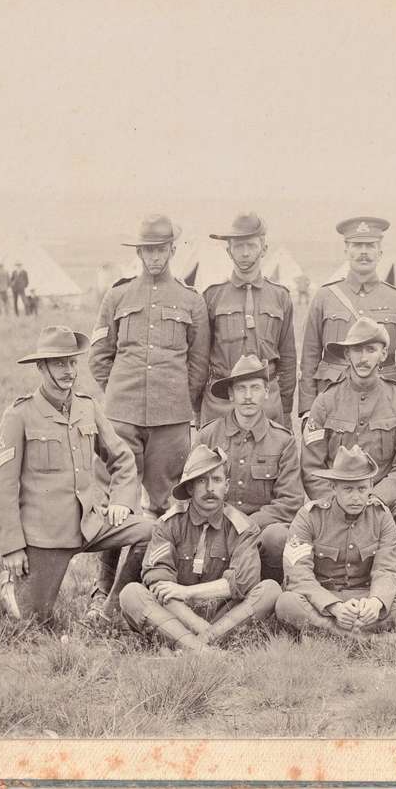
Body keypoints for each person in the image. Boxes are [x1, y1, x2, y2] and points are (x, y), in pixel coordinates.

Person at [0, 325, 154, 624]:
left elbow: (122, 458)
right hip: (45, 536)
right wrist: (11, 547)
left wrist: (121, 501)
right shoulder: (19, 415)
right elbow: (1, 488)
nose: (68, 370)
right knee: (30, 624)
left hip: (90, 524)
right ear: (41, 367)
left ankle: (109, 609)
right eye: (59, 363)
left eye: (73, 362)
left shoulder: (87, 407)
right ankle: (10, 584)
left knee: (152, 532)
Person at [88, 214, 210, 617]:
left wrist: (175, 401)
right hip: (121, 418)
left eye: (161, 249)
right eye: (147, 250)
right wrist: (119, 396)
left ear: (172, 250)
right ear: (138, 252)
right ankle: (100, 589)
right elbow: (99, 356)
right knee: (116, 506)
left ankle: (132, 591)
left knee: (163, 506)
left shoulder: (192, 300)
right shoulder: (117, 297)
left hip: (170, 421)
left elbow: (198, 364)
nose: (154, 257)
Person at [302, 316, 396, 586]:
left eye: (371, 350)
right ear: (347, 354)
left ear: (383, 354)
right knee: (306, 520)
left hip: (386, 493)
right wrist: (338, 502)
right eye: (357, 350)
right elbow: (312, 468)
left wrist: (372, 498)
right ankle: (331, 581)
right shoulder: (325, 401)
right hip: (336, 496)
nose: (363, 358)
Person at [119, 444, 281, 652]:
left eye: (217, 480)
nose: (210, 489)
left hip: (224, 614)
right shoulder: (168, 524)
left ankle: (187, 646)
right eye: (202, 481)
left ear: (227, 486)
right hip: (175, 613)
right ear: (189, 488)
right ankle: (205, 650)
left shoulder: (244, 528)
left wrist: (187, 592)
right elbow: (159, 584)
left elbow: (241, 583)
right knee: (131, 594)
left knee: (270, 590)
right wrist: (199, 626)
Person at [276, 445, 396, 643]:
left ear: (371, 486)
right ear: (333, 487)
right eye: (348, 489)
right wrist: (334, 607)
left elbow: (387, 569)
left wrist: (376, 602)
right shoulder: (309, 516)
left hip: (365, 599)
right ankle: (373, 641)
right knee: (286, 603)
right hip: (324, 600)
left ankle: (328, 637)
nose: (356, 497)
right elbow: (299, 576)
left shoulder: (381, 516)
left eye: (362, 489)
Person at [194, 353, 305, 584]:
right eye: (241, 389)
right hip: (216, 526)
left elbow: (290, 502)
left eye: (255, 388)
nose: (247, 396)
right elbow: (191, 491)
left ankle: (268, 588)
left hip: (260, 532)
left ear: (266, 393)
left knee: (278, 537)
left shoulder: (283, 441)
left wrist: (248, 524)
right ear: (231, 394)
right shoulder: (208, 435)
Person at [298, 217, 396, 417]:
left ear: (380, 252)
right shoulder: (324, 297)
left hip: (384, 402)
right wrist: (307, 411)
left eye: (370, 245)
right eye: (357, 245)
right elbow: (309, 358)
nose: (364, 251)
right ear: (346, 250)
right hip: (333, 400)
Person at [200, 213, 296, 427]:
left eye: (251, 246)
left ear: (264, 249)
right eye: (238, 246)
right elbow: (200, 358)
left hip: (266, 401)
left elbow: (288, 358)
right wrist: (201, 410)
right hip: (221, 402)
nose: (245, 253)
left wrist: (284, 408)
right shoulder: (212, 296)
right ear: (228, 251)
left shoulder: (280, 296)